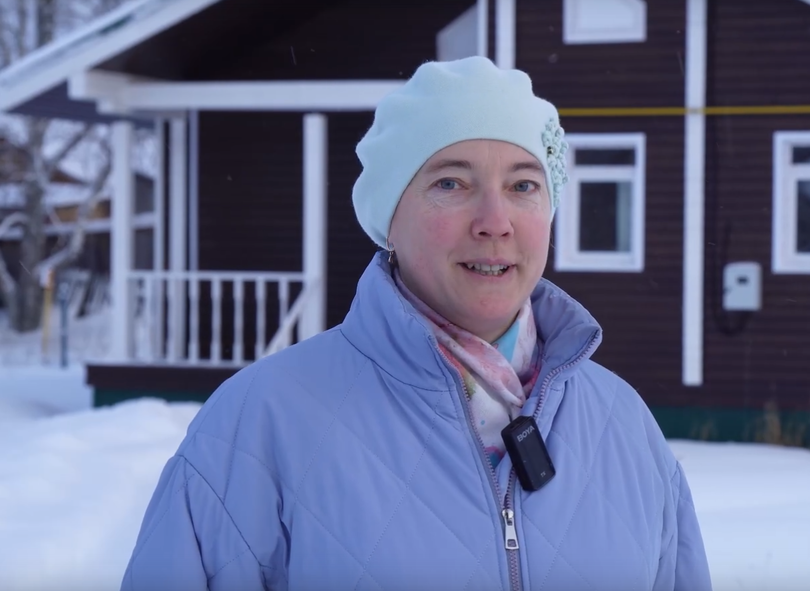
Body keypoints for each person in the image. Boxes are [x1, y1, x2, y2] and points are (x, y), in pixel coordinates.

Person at [120, 55, 713, 591]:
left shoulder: (625, 427)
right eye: (451, 183)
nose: (495, 220)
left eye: (523, 185)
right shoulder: (256, 427)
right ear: (389, 219)